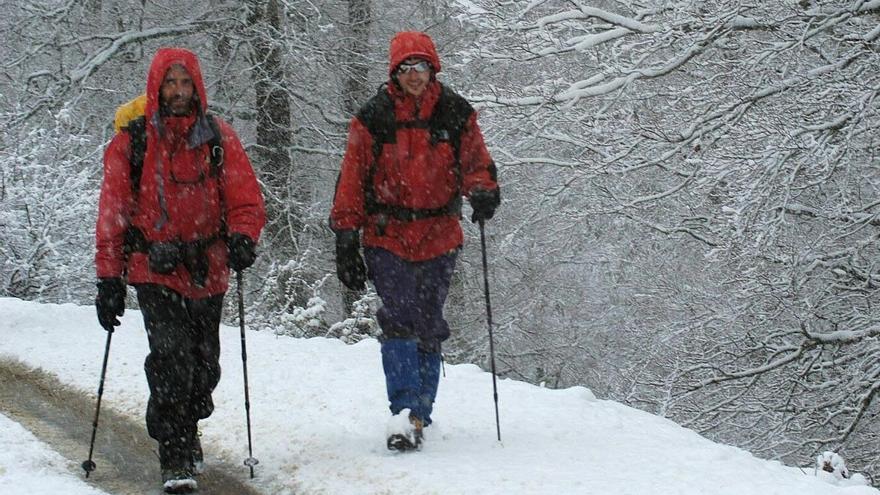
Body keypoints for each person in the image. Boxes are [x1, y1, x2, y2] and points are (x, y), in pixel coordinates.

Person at [94, 47, 266, 493]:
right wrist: (109, 278)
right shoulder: (131, 143)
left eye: (184, 83)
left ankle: (189, 427)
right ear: (156, 86)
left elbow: (245, 198)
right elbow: (112, 214)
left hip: (209, 269)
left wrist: (244, 235)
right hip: (153, 269)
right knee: (171, 358)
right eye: (170, 83)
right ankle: (174, 452)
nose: (177, 91)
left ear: (197, 87)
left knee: (204, 365)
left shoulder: (217, 137)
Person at [329, 31, 500, 451]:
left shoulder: (456, 113)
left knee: (429, 322)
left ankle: (422, 412)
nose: (414, 76)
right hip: (387, 236)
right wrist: (346, 236)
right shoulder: (372, 118)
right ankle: (403, 410)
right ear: (394, 74)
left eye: (420, 67)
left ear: (432, 69)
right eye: (405, 69)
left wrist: (483, 191)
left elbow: (477, 163)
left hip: (440, 235)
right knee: (399, 317)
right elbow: (351, 180)